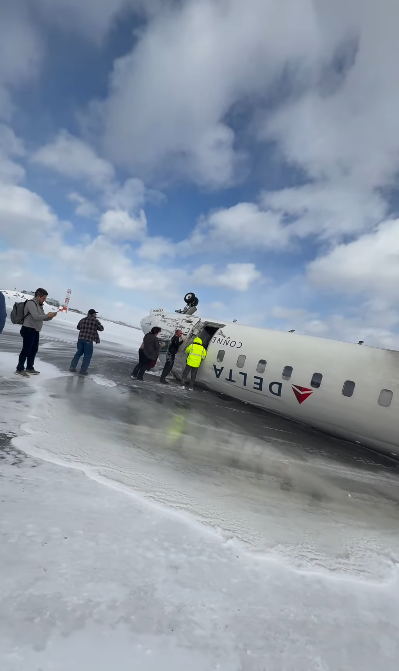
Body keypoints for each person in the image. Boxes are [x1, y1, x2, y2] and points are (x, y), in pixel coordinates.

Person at [15, 288, 58, 377]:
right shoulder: (31, 303)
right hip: (28, 329)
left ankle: (29, 367)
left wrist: (50, 316)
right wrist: (47, 315)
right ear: (38, 296)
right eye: (43, 298)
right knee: (26, 350)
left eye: (45, 298)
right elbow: (36, 316)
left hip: (35, 330)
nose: (44, 300)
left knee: (34, 350)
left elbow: (42, 317)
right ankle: (19, 369)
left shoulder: (39, 305)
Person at [70, 309, 104, 376]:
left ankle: (72, 367)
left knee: (78, 353)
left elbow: (78, 327)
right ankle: (83, 370)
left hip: (80, 339)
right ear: (92, 314)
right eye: (95, 314)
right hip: (88, 341)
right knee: (87, 356)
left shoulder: (83, 320)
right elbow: (101, 329)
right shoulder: (95, 321)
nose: (96, 315)